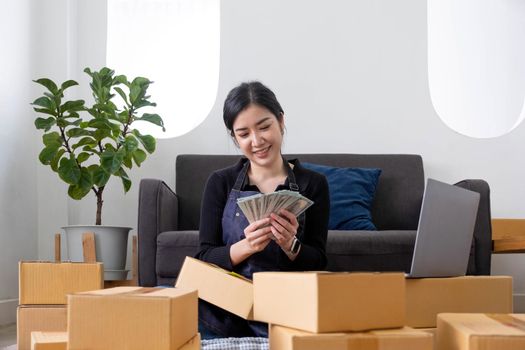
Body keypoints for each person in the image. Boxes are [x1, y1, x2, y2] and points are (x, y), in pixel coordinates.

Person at [195, 81, 330, 338]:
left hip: (285, 308)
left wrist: (291, 246)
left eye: (264, 127)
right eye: (244, 134)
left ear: (281, 121)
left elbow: (320, 260)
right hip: (227, 308)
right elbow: (203, 257)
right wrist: (246, 246)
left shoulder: (313, 183)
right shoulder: (220, 182)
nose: (256, 141)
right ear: (234, 138)